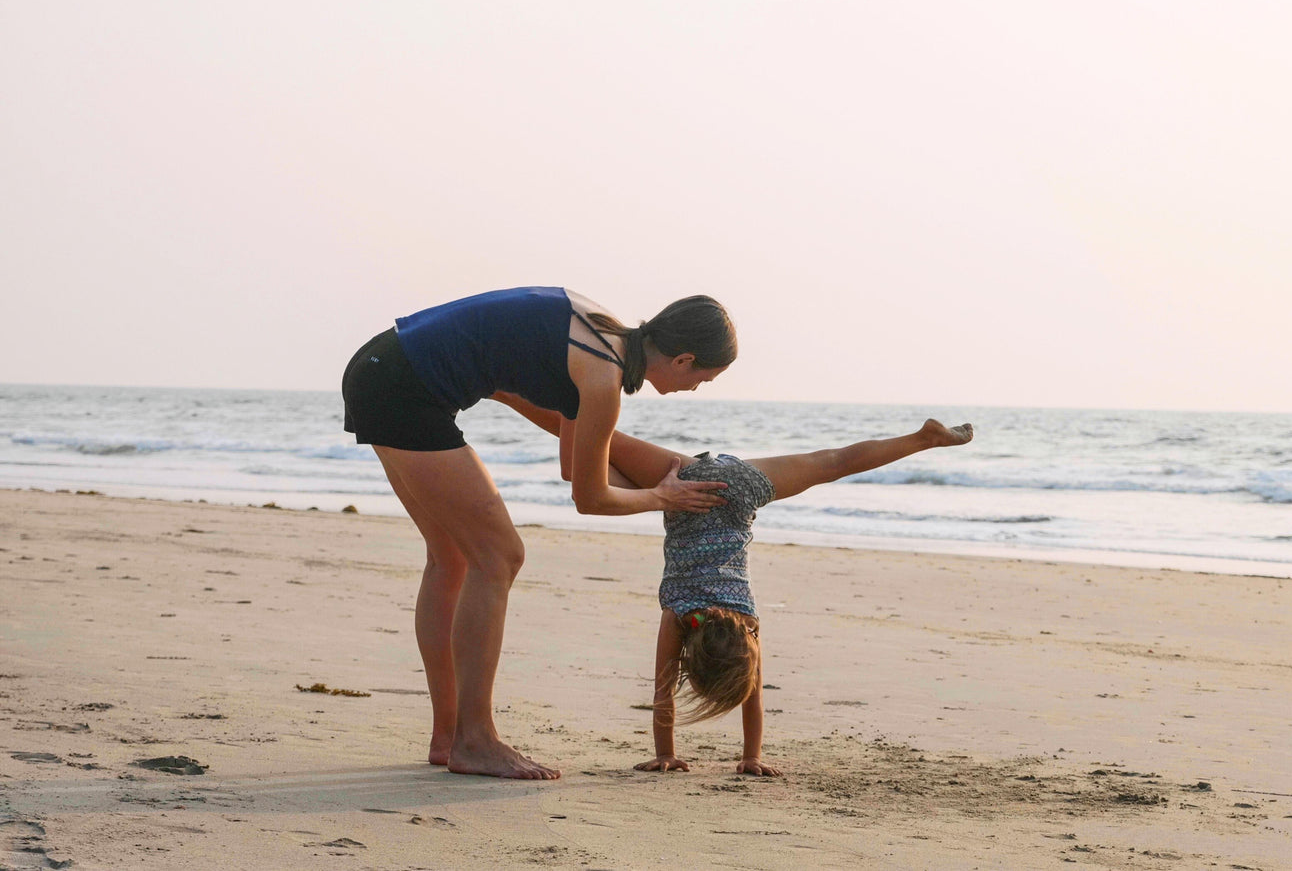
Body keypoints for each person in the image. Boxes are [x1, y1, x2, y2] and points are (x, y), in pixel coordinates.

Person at [340, 287, 735, 780]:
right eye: (704, 378)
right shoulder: (602, 377)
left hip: (382, 367)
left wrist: (661, 482)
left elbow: (575, 467)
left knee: (453, 558)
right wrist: (663, 498)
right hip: (404, 388)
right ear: (683, 359)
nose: (698, 388)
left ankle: (450, 737)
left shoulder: (602, 335)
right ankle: (475, 739)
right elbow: (590, 500)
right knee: (500, 556)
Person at [597, 418, 976, 777]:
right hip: (699, 488)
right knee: (597, 440)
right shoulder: (681, 616)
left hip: (723, 490)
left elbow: (747, 699)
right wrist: (713, 756)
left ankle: (924, 438)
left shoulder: (747, 626)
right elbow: (664, 692)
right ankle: (924, 439)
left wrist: (744, 756)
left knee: (832, 463)